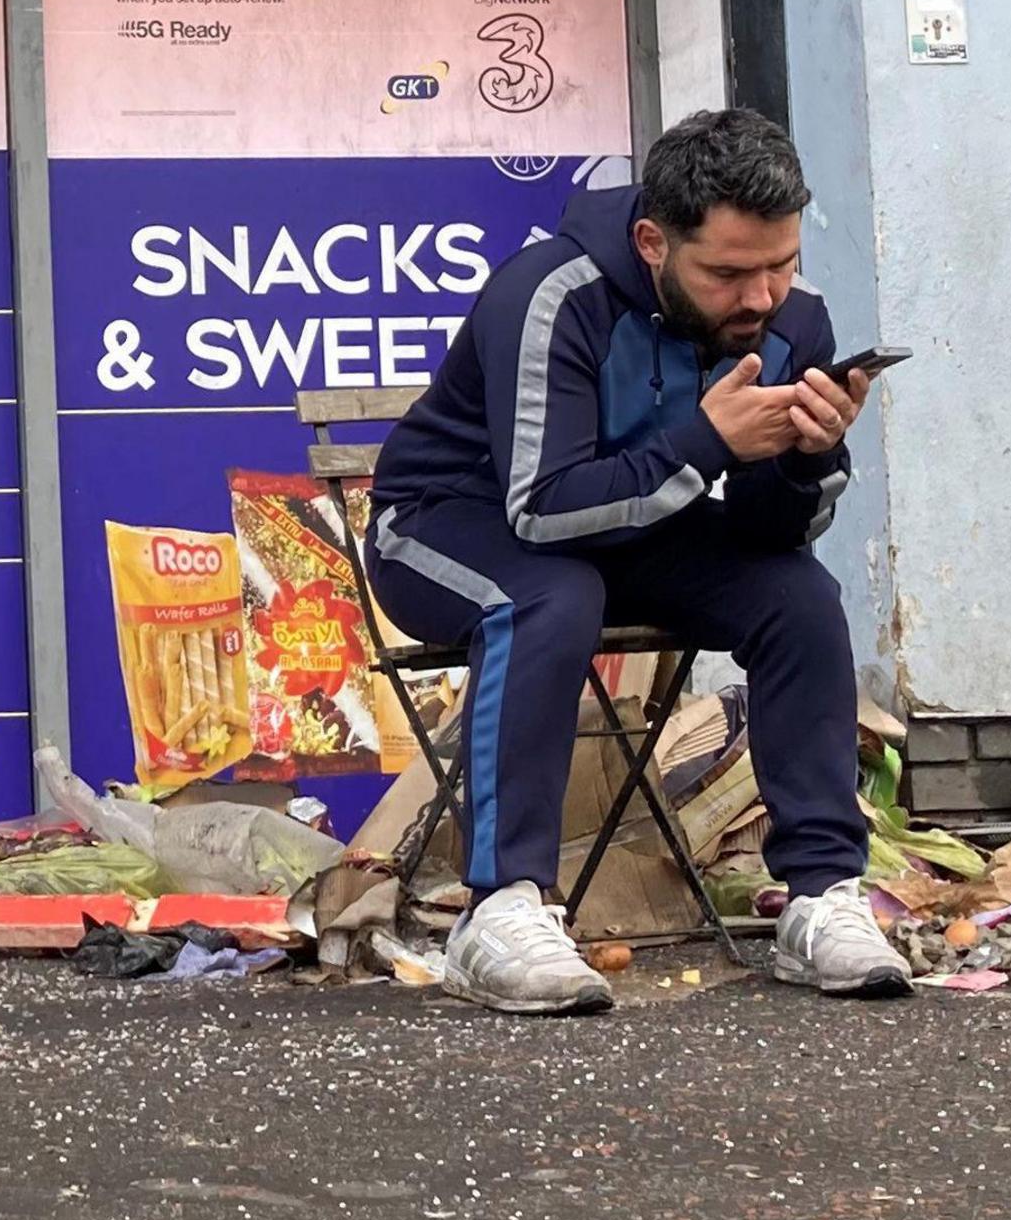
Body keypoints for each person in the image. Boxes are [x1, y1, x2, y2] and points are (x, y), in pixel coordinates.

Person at [365, 107, 909, 1012]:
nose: (762, 298)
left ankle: (821, 895)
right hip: (446, 525)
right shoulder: (552, 295)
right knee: (551, 593)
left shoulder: (791, 318)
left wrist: (811, 455)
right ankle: (501, 907)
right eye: (730, 272)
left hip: (629, 527)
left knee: (799, 597)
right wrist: (705, 442)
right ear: (653, 240)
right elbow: (540, 508)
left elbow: (774, 532)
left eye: (780, 264)